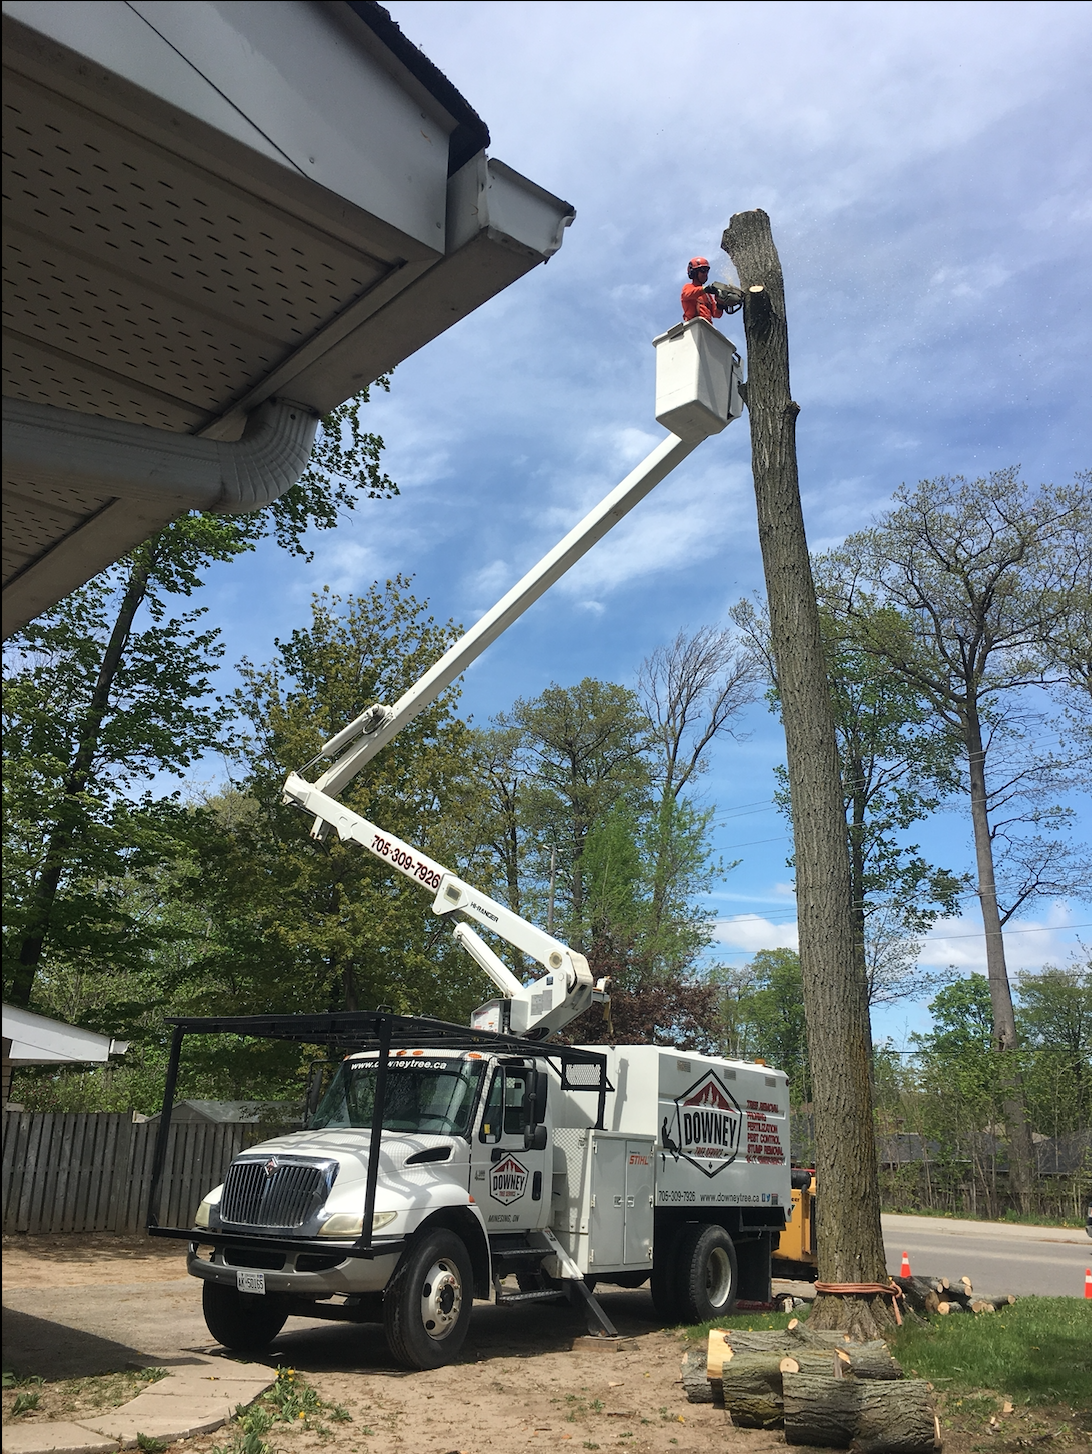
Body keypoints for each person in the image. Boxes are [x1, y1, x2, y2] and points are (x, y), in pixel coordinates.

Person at [681, 257, 721, 322]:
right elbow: (688, 294)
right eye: (703, 270)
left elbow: (716, 314)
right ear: (694, 272)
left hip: (706, 326)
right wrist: (705, 289)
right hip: (694, 325)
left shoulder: (707, 295)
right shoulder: (688, 287)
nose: (705, 274)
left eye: (707, 271)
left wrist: (720, 304)